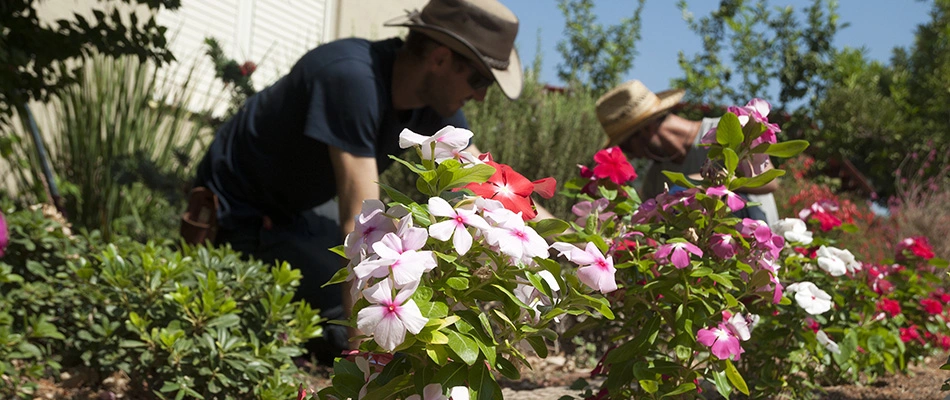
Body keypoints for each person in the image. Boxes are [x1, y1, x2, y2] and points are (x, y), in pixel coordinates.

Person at [181, 0, 524, 364]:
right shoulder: (350, 78)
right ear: (439, 60)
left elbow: (486, 180)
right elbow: (364, 224)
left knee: (402, 301)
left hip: (299, 209)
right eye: (479, 79)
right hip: (240, 217)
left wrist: (561, 242)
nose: (482, 95)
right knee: (356, 315)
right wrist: (367, 359)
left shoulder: (432, 101)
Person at [594, 80, 779, 224]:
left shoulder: (726, 129)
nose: (633, 156)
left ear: (645, 130)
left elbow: (769, 181)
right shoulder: (656, 180)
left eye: (626, 147)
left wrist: (692, 184)